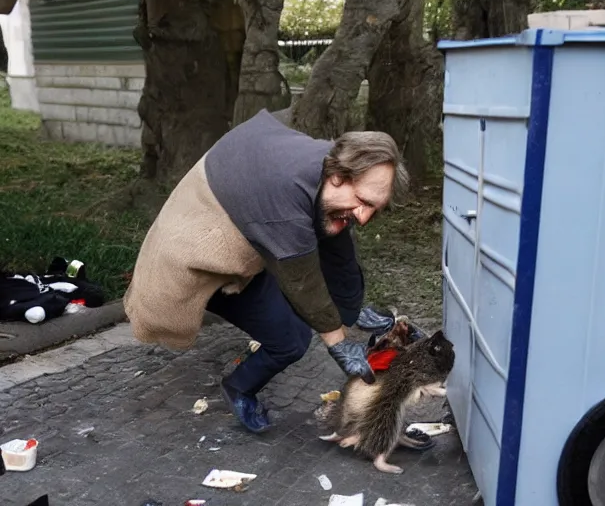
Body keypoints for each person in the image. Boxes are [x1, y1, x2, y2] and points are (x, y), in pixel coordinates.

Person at [123, 108, 409, 433]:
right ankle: (239, 387)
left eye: (373, 207)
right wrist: (340, 342)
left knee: (331, 241)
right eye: (362, 201)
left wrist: (350, 310)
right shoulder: (286, 199)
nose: (364, 217)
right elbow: (302, 280)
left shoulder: (326, 168)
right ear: (337, 177)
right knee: (292, 339)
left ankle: (271, 353)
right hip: (202, 260)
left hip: (253, 234)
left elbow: (340, 253)